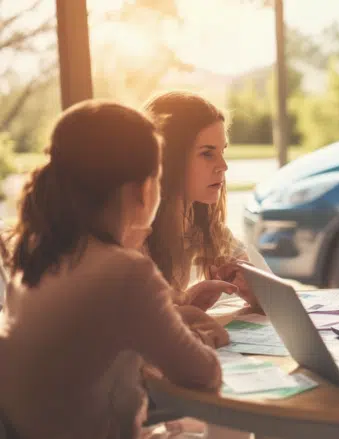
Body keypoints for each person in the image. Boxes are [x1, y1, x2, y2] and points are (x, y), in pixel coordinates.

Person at [0, 101, 223, 439]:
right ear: (143, 189)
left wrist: (175, 314)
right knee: (228, 428)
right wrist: (204, 336)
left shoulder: (36, 253)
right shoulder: (125, 271)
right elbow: (204, 374)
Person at [142, 91, 270, 312]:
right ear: (168, 157)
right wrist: (184, 307)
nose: (223, 166)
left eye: (222, 152)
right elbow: (132, 326)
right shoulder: (135, 234)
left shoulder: (204, 226)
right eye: (207, 154)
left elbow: (274, 293)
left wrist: (255, 291)